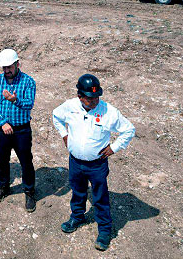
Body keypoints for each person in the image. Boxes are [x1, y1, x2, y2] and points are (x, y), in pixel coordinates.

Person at [52, 74, 135, 252]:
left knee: (100, 197)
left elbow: (129, 130)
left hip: (97, 165)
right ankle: (77, 217)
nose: (94, 101)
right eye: (90, 98)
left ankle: (105, 231)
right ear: (79, 96)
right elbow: (56, 116)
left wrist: (114, 147)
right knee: (78, 191)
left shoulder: (109, 111)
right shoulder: (70, 107)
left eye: (97, 97)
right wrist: (64, 135)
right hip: (75, 162)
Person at [0, 48, 37, 212]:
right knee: (2, 159)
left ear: (17, 64)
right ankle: (4, 187)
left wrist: (15, 100)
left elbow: (29, 104)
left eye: (9, 67)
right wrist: (2, 122)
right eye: (4, 68)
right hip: (2, 129)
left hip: (21, 130)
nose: (7, 71)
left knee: (26, 161)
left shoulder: (28, 81)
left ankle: (29, 191)